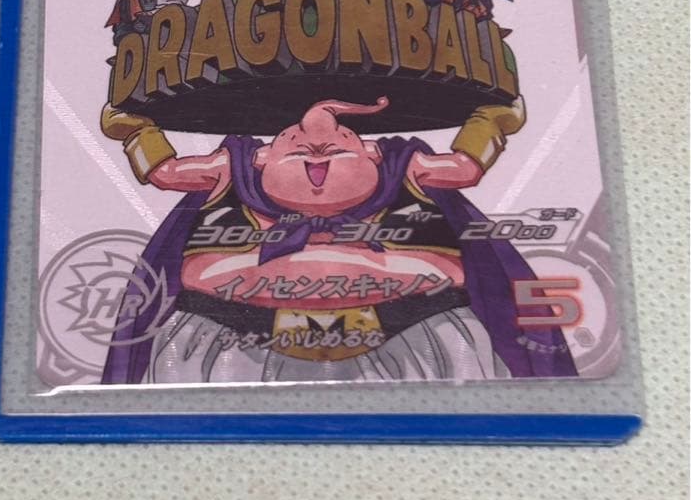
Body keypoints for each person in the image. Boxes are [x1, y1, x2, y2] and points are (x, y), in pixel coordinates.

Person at [99, 95, 576, 384]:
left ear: (369, 149)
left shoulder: (401, 164)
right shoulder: (233, 165)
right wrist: (136, 130)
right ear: (264, 155)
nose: (317, 137)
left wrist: (490, 122)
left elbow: (465, 168)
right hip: (224, 340)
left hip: (419, 333)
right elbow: (166, 173)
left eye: (342, 135)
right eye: (293, 137)